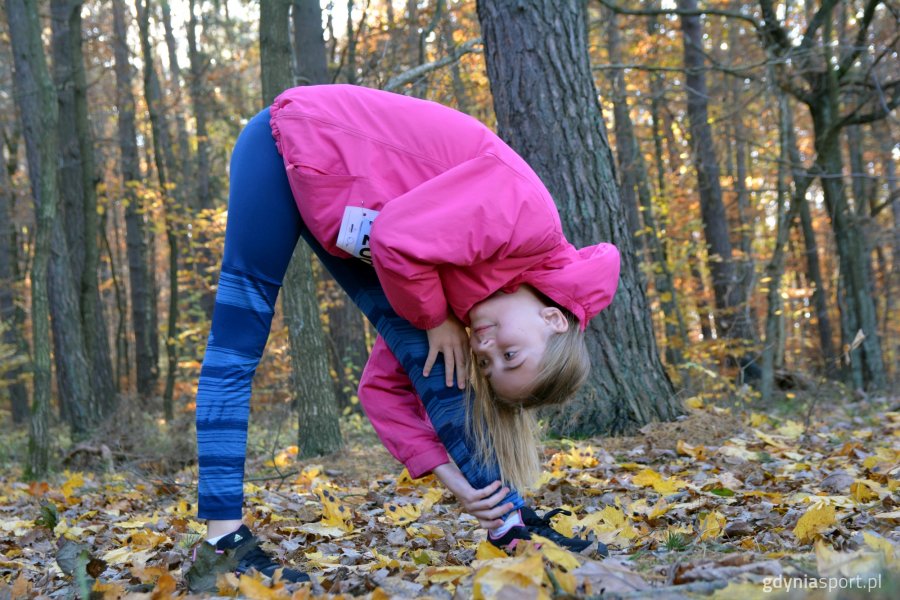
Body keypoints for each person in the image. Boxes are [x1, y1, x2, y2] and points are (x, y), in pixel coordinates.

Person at [192, 85, 620, 583]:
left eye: (492, 364)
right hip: (293, 140)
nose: (486, 347)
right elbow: (394, 237)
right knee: (238, 340)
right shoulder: (527, 218)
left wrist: (454, 481)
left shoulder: (480, 297)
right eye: (508, 352)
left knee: (438, 351)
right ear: (553, 319)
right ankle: (222, 543)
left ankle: (508, 521)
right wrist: (437, 320)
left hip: (346, 207)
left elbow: (382, 390)